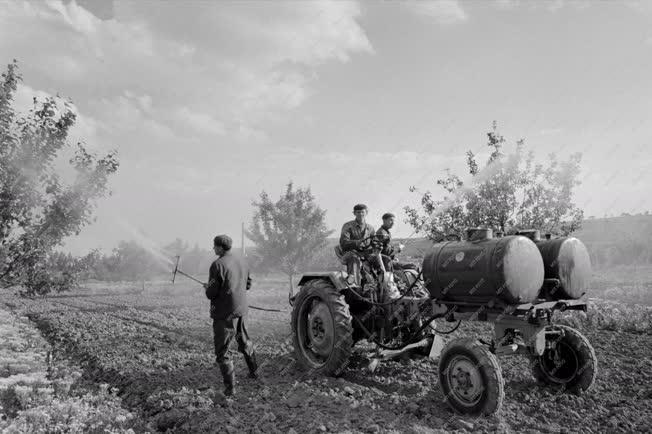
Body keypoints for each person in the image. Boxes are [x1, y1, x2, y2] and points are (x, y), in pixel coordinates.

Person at [203, 234, 258, 397]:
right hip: (241, 310)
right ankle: (254, 372)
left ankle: (230, 388)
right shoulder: (242, 261)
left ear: (220, 247)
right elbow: (248, 284)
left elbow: (211, 293)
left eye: (214, 246)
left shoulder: (217, 265)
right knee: (244, 340)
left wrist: (208, 288)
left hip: (224, 314)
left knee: (222, 352)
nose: (213, 249)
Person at [339, 204, 375, 286]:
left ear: (366, 213)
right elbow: (344, 243)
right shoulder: (348, 226)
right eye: (358, 212)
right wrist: (357, 242)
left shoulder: (370, 228)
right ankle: (356, 286)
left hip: (365, 254)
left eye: (363, 212)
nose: (360, 214)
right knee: (355, 259)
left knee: (384, 259)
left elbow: (374, 242)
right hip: (350, 253)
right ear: (354, 213)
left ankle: (386, 285)